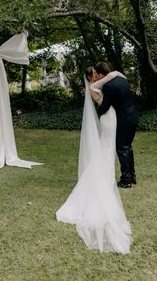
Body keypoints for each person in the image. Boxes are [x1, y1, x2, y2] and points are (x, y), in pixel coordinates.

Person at [56, 66, 132, 254]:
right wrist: (113, 75)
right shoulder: (93, 88)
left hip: (112, 118)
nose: (97, 76)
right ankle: (101, 179)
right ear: (90, 77)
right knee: (106, 150)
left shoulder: (100, 85)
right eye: (93, 75)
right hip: (108, 120)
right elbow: (102, 92)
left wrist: (112, 76)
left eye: (97, 74)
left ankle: (105, 177)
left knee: (108, 151)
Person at [94, 62, 139, 188]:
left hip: (123, 120)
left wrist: (95, 114)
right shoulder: (121, 78)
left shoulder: (108, 86)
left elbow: (105, 106)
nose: (96, 77)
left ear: (100, 73)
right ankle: (132, 175)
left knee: (122, 148)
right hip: (133, 116)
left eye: (97, 74)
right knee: (128, 147)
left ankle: (126, 180)